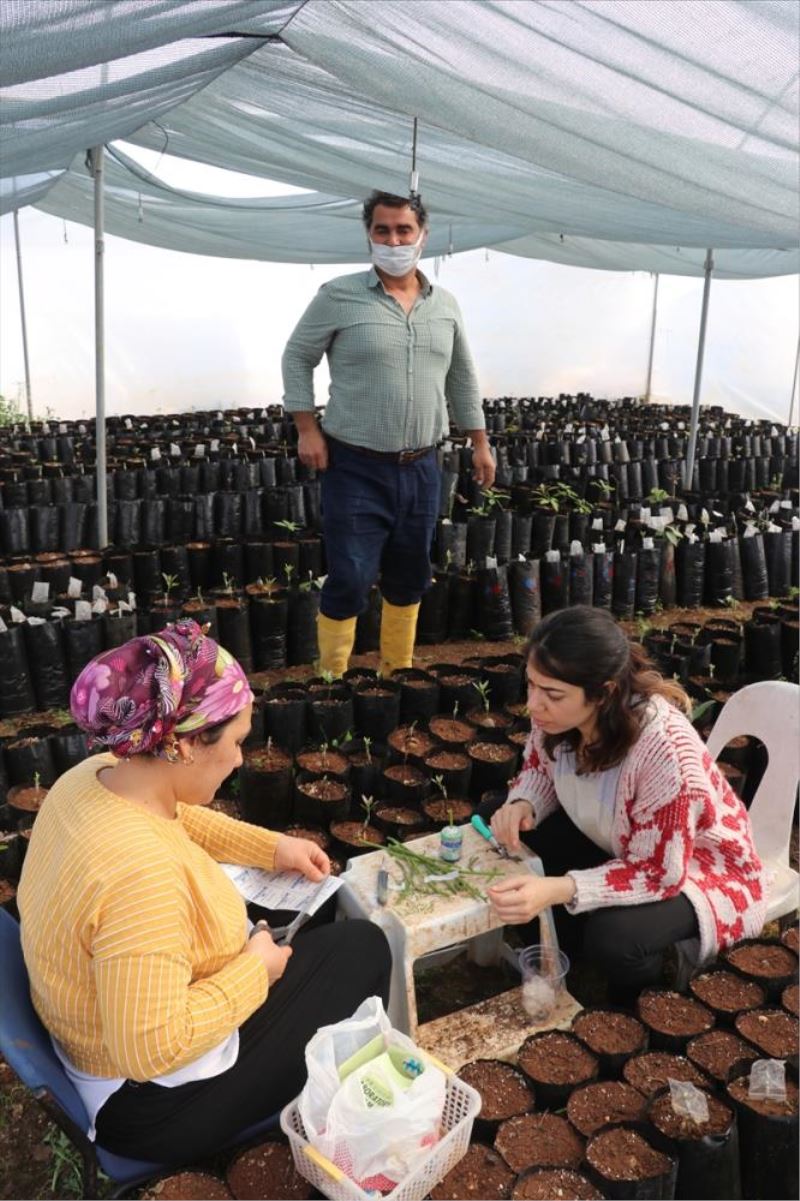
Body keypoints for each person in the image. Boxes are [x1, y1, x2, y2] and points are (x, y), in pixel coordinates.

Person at [17, 620, 391, 1164]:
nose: (241, 760)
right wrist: (253, 972)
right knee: (362, 948)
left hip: (90, 1028)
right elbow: (149, 1048)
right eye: (237, 742)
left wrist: (271, 848)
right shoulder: (140, 878)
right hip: (151, 1101)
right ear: (186, 745)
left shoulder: (96, 775)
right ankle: (346, 1118)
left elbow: (177, 816)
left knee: (316, 919)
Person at [485, 606, 766, 1001]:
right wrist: (524, 803)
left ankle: (641, 997)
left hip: (697, 866)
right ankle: (564, 950)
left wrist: (560, 888)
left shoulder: (665, 753)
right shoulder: (555, 714)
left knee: (615, 938)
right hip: (618, 838)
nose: (534, 704)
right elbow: (540, 768)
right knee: (498, 823)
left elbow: (658, 871)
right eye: (530, 684)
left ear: (605, 693)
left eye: (551, 694)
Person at [282, 189, 494, 678]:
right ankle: (332, 679)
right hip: (355, 464)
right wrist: (306, 427)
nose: (393, 240)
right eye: (383, 230)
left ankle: (396, 674)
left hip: (422, 466)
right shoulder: (339, 296)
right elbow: (297, 355)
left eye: (404, 230)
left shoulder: (445, 305)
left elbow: (462, 376)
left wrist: (480, 443)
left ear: (423, 236)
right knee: (351, 576)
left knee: (410, 574)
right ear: (369, 234)